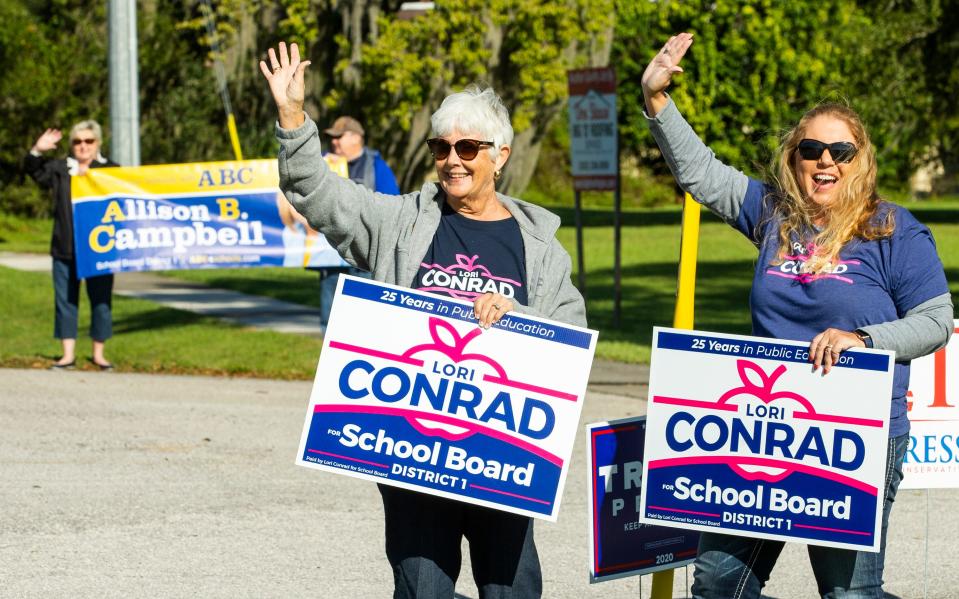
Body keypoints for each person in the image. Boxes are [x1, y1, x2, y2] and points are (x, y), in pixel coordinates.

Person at [260, 41, 585, 598]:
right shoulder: (400, 221)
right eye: (441, 146)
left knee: (513, 591)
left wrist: (519, 315)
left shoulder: (542, 248)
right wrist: (293, 117)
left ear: (499, 155)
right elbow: (316, 192)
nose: (452, 159)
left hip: (502, 456)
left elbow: (572, 337)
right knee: (422, 592)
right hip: (415, 455)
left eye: (467, 147)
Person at [641, 33, 954, 598]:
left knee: (848, 593)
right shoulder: (772, 214)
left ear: (861, 160)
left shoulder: (894, 229)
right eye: (811, 150)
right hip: (765, 429)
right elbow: (702, 175)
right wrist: (658, 100)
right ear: (795, 158)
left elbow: (935, 320)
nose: (825, 161)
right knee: (717, 585)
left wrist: (863, 338)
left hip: (855, 437)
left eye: (841, 151)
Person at [25, 121, 119, 371]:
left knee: (101, 301)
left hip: (100, 249)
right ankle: (67, 355)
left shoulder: (111, 170)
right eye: (77, 142)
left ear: (97, 143)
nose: (83, 146)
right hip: (64, 247)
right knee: (65, 300)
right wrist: (38, 150)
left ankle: (99, 354)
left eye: (88, 141)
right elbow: (33, 172)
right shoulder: (59, 169)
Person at [314, 115, 401, 332]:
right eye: (331, 138)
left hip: (363, 258)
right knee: (330, 320)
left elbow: (392, 205)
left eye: (339, 137)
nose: (334, 142)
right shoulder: (322, 164)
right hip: (329, 258)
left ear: (356, 138)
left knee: (364, 322)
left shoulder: (376, 166)